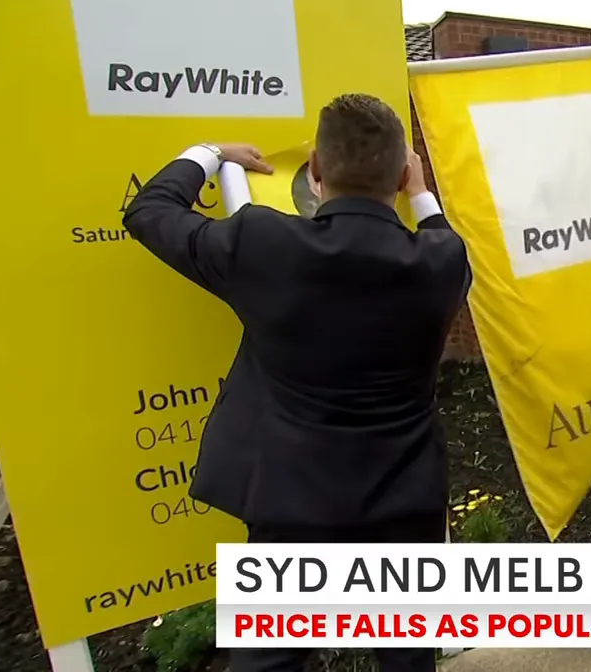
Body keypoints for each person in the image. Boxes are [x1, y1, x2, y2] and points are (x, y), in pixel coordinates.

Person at [122, 93, 471, 672]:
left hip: (293, 501)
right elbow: (438, 227)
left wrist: (209, 152)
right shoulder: (441, 259)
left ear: (314, 171)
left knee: (269, 664)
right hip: (405, 496)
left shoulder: (263, 243)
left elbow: (150, 211)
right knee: (407, 659)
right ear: (404, 172)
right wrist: (420, 191)